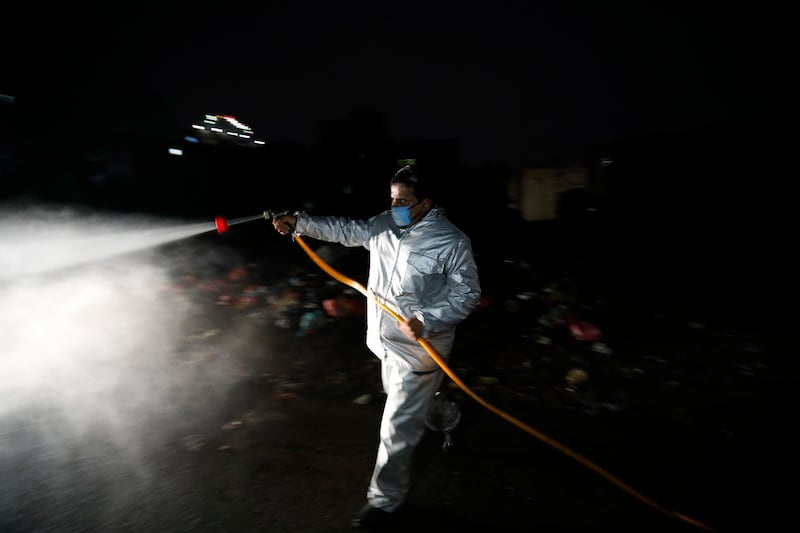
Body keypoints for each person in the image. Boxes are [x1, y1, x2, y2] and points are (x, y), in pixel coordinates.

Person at [272, 164, 481, 529]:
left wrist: (427, 319)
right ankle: (450, 417)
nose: (395, 205)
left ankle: (385, 503)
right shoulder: (383, 224)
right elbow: (344, 230)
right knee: (411, 403)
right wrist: (299, 222)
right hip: (383, 343)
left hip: (421, 348)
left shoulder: (451, 241)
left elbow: (467, 295)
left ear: (425, 203)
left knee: (396, 427)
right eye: (392, 198)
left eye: (403, 200)